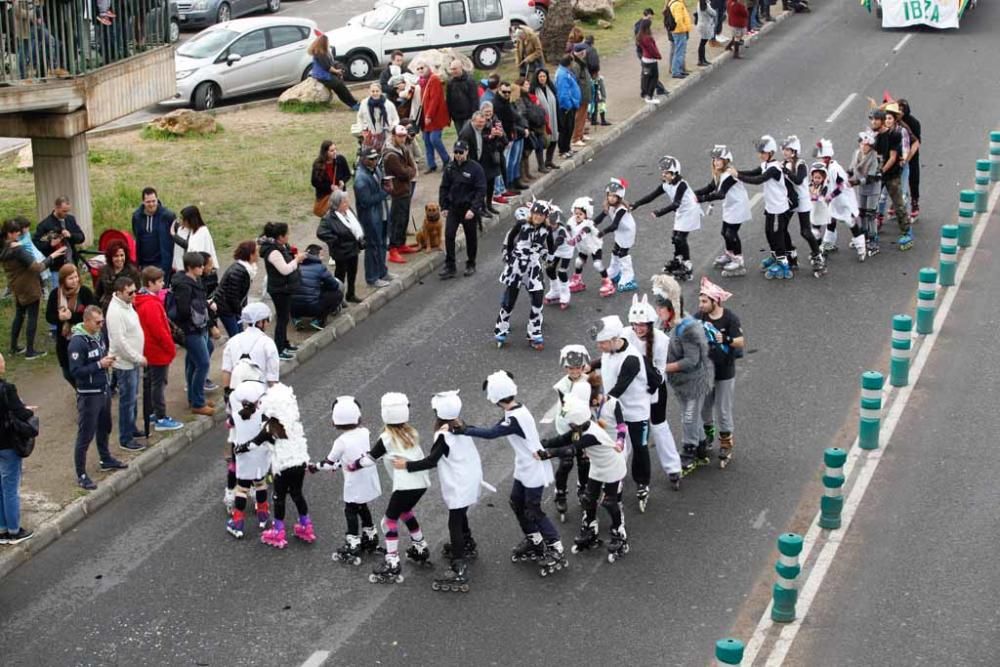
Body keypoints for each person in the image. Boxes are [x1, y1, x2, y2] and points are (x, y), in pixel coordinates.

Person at [456, 371, 567, 575]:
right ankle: (535, 539)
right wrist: (467, 428)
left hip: (533, 467)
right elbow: (495, 428)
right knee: (517, 502)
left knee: (533, 509)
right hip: (525, 465)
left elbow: (492, 433)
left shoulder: (516, 417)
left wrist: (464, 430)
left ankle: (555, 547)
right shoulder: (514, 410)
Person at [395, 390, 482, 591]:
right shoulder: (462, 426)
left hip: (459, 483)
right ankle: (466, 542)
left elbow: (431, 461)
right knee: (461, 515)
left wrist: (405, 465)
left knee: (454, 522)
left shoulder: (444, 435)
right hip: (471, 479)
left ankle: (459, 566)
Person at [346, 392, 432, 583]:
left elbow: (370, 459)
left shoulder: (386, 438)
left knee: (387, 522)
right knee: (405, 512)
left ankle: (392, 561)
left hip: (405, 486)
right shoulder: (412, 433)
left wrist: (353, 465)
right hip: (421, 484)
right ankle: (420, 546)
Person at [536, 395, 629, 561]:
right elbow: (563, 439)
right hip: (598, 466)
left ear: (577, 421)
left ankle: (618, 531)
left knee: (609, 501)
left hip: (612, 467)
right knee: (588, 499)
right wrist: (543, 443)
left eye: (571, 423)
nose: (570, 426)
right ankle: (590, 528)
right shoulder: (580, 429)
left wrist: (547, 454)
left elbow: (571, 449)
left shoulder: (591, 434)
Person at [589, 315, 653, 509]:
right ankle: (614, 479)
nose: (600, 346)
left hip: (636, 413)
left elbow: (619, 388)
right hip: (615, 412)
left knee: (640, 448)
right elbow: (603, 360)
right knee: (613, 446)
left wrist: (597, 401)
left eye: (602, 343)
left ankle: (642, 482)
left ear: (613, 340)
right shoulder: (611, 350)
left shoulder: (631, 359)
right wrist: (587, 367)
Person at [316, 396, 382, 565]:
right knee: (363, 506)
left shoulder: (341, 441)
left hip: (354, 482)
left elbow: (328, 463)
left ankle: (353, 541)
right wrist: (340, 464)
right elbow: (354, 455)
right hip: (367, 476)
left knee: (351, 510)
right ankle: (370, 535)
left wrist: (315, 466)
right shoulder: (364, 432)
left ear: (335, 421)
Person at [69, 306, 128, 490]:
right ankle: (81, 474)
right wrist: (99, 365)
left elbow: (101, 357)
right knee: (85, 434)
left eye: (102, 321)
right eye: (98, 322)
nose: (101, 325)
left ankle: (106, 458)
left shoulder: (99, 336)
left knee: (105, 426)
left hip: (103, 389)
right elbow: (76, 371)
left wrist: (108, 360)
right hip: (89, 395)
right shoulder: (77, 343)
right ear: (86, 321)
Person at [626, 294, 682, 491]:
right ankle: (618, 467)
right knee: (626, 429)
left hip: (654, 387)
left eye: (642, 324)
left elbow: (659, 370)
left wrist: (646, 385)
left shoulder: (661, 340)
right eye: (635, 324)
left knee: (658, 426)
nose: (638, 328)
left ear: (650, 324)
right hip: (630, 390)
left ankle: (673, 468)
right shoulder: (625, 334)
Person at [253, 383, 315, 549]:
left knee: (278, 497)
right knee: (297, 494)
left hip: (282, 467)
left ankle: (278, 530)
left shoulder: (269, 428)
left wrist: (239, 448)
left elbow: (253, 444)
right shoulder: (294, 424)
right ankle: (305, 525)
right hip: (299, 463)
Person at [663, 293, 714, 473]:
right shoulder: (667, 324)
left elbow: (691, 360)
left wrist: (663, 367)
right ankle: (701, 447)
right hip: (680, 382)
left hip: (694, 382)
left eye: (661, 308)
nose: (657, 311)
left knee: (689, 416)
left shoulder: (687, 329)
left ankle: (688, 451)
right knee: (690, 416)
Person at [632, 155, 703, 282]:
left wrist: (659, 212)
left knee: (680, 238)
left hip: (690, 210)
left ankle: (687, 265)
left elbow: (676, 203)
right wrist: (636, 204)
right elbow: (651, 196)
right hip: (681, 211)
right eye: (663, 172)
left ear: (675, 173)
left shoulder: (682, 185)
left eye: (666, 173)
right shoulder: (666, 184)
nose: (663, 175)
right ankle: (677, 260)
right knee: (675, 238)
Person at [2, 217, 65, 359]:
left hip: (16, 286)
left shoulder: (5, 248)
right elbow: (37, 267)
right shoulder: (18, 250)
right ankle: (30, 351)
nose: (20, 235)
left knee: (19, 315)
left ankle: (14, 347)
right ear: (10, 233)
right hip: (29, 286)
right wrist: (52, 256)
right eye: (17, 232)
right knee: (32, 317)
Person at [494, 203, 555, 350]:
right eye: (535, 214)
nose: (538, 217)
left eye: (541, 215)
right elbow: (510, 238)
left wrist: (550, 256)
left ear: (545, 217)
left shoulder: (547, 229)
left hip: (533, 266)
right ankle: (501, 329)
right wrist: (508, 253)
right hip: (517, 265)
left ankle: (534, 332)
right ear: (531, 213)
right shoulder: (522, 224)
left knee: (538, 299)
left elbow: (550, 244)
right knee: (510, 300)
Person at [697, 277, 743, 468]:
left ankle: (725, 444)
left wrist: (725, 338)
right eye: (700, 301)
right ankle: (708, 437)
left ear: (715, 302)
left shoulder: (730, 318)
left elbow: (740, 342)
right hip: (705, 372)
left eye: (704, 301)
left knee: (723, 410)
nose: (700, 305)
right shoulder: (698, 318)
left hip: (724, 371)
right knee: (705, 408)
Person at [738, 134, 797, 280]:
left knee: (777, 235)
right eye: (760, 152)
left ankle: (783, 262)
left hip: (779, 208)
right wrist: (735, 172)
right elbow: (753, 172)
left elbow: (758, 180)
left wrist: (737, 176)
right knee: (769, 232)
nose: (760, 155)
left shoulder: (774, 168)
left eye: (762, 152)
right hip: (771, 207)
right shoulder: (765, 165)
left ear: (770, 153)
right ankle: (775, 256)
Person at [134, 266, 183, 433]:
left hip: (150, 349)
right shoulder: (151, 305)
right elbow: (159, 330)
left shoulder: (143, 301)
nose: (163, 284)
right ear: (150, 283)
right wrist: (170, 347)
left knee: (154, 382)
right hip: (157, 351)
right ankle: (160, 417)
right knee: (159, 384)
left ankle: (154, 413)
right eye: (160, 281)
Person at [224, 368, 270, 540]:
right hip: (261, 454)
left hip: (243, 455)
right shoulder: (263, 415)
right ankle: (263, 516)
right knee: (261, 483)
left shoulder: (235, 416)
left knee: (242, 488)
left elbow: (228, 426)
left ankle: (238, 522)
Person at [549, 345, 594, 519]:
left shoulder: (591, 382)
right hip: (567, 427)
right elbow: (568, 410)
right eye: (571, 368)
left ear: (583, 368)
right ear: (565, 368)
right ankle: (560, 492)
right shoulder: (562, 386)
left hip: (585, 426)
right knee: (566, 461)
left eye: (578, 368)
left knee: (584, 461)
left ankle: (583, 489)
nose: (575, 371)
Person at [694, 145, 752, 277]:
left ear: (726, 160)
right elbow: (710, 187)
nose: (716, 162)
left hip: (738, 207)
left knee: (731, 233)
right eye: (714, 159)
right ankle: (729, 254)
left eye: (719, 159)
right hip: (730, 207)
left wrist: (701, 199)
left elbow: (721, 194)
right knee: (724, 232)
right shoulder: (719, 174)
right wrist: (691, 194)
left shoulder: (730, 174)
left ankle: (738, 260)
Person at [106, 276, 146, 451]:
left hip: (133, 361)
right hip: (125, 363)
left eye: (135, 290)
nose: (134, 295)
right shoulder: (115, 312)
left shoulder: (127, 305)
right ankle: (125, 438)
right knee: (127, 401)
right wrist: (138, 357)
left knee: (133, 398)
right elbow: (120, 343)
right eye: (130, 292)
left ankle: (132, 428)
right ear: (120, 292)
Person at [171, 252, 214, 415]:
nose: (202, 269)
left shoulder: (197, 280)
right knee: (203, 363)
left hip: (200, 327)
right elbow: (183, 310)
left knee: (193, 362)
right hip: (190, 330)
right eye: (199, 266)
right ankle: (197, 402)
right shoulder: (184, 285)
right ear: (190, 268)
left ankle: (194, 396)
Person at [0, 352, 36, 545]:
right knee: (10, 488)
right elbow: (19, 412)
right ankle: (14, 530)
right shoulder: (7, 388)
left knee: (0, 488)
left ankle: (2, 529)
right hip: (8, 444)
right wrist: (29, 410)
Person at [438, 141, 486, 280]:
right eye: (456, 152)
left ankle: (471, 263)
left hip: (468, 209)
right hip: (454, 207)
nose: (458, 155)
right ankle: (450, 265)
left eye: (461, 152)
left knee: (471, 237)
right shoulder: (450, 168)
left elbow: (481, 190)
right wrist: (444, 206)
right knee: (449, 235)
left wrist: (474, 209)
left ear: (467, 152)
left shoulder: (475, 168)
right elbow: (444, 187)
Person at [259, 222, 305, 360]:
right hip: (279, 289)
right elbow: (284, 269)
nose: (288, 236)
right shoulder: (273, 252)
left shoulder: (281, 247)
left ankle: (284, 343)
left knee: (284, 318)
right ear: (280, 237)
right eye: (286, 234)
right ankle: (279, 348)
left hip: (285, 287)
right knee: (282, 318)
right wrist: (297, 260)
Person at [782, 135, 826, 276]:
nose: (784, 151)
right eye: (784, 149)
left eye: (787, 149)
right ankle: (791, 254)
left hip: (802, 201)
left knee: (805, 231)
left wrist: (785, 171)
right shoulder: (785, 164)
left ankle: (817, 255)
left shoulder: (801, 164)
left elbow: (799, 180)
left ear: (794, 151)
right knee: (782, 229)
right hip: (791, 201)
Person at [46, 264, 96, 386]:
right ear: (63, 280)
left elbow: (92, 315)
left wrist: (71, 317)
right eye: (71, 278)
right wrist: (59, 317)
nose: (75, 281)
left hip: (83, 339)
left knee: (84, 369)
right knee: (67, 373)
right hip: (64, 340)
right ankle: (79, 390)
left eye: (76, 277)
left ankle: (86, 393)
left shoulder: (84, 292)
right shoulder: (55, 294)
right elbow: (49, 316)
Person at [870, 109, 912, 250]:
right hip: (878, 174)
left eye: (876, 120)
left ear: (882, 121)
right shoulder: (875, 137)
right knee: (872, 204)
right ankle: (871, 232)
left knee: (898, 204)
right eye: (872, 120)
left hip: (891, 174)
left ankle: (907, 233)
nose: (873, 122)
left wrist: (881, 171)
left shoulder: (893, 135)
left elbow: (893, 157)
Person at [813, 138, 861, 257]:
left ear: (827, 158)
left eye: (821, 158)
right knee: (829, 219)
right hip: (833, 200)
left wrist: (830, 196)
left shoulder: (835, 169)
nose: (818, 160)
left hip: (843, 200)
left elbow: (842, 186)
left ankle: (861, 246)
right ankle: (828, 244)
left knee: (850, 221)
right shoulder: (823, 168)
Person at [353, 147, 392, 288]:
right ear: (363, 159)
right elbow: (366, 201)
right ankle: (372, 277)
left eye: (375, 158)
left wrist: (385, 186)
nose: (374, 161)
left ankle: (382, 272)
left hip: (381, 213)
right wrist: (385, 192)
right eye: (371, 159)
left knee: (382, 244)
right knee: (372, 247)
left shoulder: (375, 169)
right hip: (370, 217)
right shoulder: (360, 178)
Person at [318, 191, 364, 306]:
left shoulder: (349, 211)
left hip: (353, 248)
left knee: (353, 272)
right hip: (341, 252)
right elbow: (321, 233)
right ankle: (339, 298)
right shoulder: (329, 218)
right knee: (340, 276)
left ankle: (351, 294)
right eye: (344, 202)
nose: (347, 203)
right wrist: (336, 240)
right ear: (337, 204)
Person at [593, 178, 638, 294]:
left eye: (614, 196)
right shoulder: (609, 205)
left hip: (627, 231)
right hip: (620, 231)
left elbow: (614, 225)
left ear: (619, 197)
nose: (611, 198)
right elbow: (601, 217)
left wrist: (602, 232)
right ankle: (615, 271)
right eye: (610, 195)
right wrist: (591, 225)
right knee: (615, 250)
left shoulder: (621, 209)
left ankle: (628, 277)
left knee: (622, 253)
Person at [381, 125, 418, 263]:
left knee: (404, 218)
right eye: (400, 136)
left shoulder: (403, 148)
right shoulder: (390, 154)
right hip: (397, 191)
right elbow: (403, 173)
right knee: (396, 220)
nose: (403, 138)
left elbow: (412, 167)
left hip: (405, 189)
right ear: (393, 135)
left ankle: (401, 244)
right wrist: (409, 171)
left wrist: (409, 171)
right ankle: (393, 249)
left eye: (404, 136)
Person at [33, 196, 84, 289]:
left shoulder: (70, 219)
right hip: (56, 267)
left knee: (76, 290)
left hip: (72, 263)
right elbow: (36, 244)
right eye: (64, 211)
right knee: (58, 293)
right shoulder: (45, 225)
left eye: (68, 211)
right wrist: (50, 244)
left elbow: (81, 238)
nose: (66, 214)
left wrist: (71, 235)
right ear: (56, 208)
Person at [291, 244, 343, 330]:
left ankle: (296, 319)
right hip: (312, 308)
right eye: (321, 255)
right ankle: (318, 320)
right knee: (337, 294)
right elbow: (334, 285)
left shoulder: (295, 265)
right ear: (316, 255)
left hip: (294, 307)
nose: (323, 258)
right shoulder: (320, 268)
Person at [848, 132, 882, 258]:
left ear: (871, 146)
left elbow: (872, 177)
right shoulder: (857, 154)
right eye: (862, 143)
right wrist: (845, 178)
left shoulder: (874, 157)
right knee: (861, 212)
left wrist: (856, 181)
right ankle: (863, 235)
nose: (863, 146)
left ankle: (874, 240)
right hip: (861, 188)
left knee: (870, 214)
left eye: (866, 144)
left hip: (872, 188)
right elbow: (851, 169)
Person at [214, 241, 258, 338]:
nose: (258, 254)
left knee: (240, 334)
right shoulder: (239, 272)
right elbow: (232, 296)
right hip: (225, 308)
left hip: (233, 307)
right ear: (250, 255)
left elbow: (242, 293)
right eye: (256, 252)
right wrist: (241, 311)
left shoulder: (247, 269)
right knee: (236, 337)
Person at [414, 60, 451, 174]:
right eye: (418, 69)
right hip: (426, 116)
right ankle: (431, 164)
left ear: (428, 68)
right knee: (426, 140)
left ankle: (447, 160)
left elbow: (435, 99)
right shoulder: (421, 82)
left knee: (434, 139)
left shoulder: (433, 79)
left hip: (435, 116)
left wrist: (429, 115)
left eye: (422, 68)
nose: (420, 70)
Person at [567, 196, 609, 294]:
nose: (577, 216)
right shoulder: (571, 221)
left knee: (597, 264)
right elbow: (567, 229)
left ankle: (607, 281)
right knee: (578, 262)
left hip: (594, 247)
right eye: (576, 213)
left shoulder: (588, 224)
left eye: (580, 214)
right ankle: (577, 280)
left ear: (586, 215)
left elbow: (586, 230)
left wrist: (604, 213)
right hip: (583, 248)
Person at [131, 187, 176, 275]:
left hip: (162, 263)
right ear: (143, 202)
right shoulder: (137, 217)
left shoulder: (167, 216)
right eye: (148, 202)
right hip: (144, 263)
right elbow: (136, 235)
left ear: (157, 200)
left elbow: (175, 237)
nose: (151, 204)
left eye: (153, 201)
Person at [493, 80, 528, 192]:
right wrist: (505, 139)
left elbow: (516, 118)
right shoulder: (497, 105)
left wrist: (523, 128)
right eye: (504, 92)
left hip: (513, 134)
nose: (507, 94)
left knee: (514, 160)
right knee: (507, 163)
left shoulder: (507, 102)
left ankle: (514, 180)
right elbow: (501, 123)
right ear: (499, 90)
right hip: (504, 138)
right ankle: (507, 185)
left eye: (509, 92)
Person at [307, 34, 359, 109]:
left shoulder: (322, 52)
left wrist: (338, 69)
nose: (328, 43)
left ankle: (353, 102)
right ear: (324, 43)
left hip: (325, 74)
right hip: (322, 76)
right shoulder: (320, 54)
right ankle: (353, 104)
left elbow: (331, 63)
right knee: (340, 86)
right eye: (327, 42)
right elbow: (327, 67)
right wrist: (337, 71)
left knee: (340, 84)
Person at [94, 238, 141, 312]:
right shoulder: (104, 270)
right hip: (108, 308)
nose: (119, 259)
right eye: (116, 256)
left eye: (122, 255)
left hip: (127, 308)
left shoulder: (132, 272)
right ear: (110, 257)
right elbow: (98, 293)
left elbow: (137, 294)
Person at [170, 205, 218, 274]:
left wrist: (174, 236)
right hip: (184, 269)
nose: (182, 221)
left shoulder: (202, 231)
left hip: (201, 270)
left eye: (184, 219)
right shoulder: (183, 229)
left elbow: (192, 248)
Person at [311, 140, 352, 218]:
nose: (335, 152)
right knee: (331, 220)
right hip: (327, 197)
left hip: (340, 196)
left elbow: (348, 174)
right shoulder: (318, 164)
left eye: (335, 149)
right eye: (332, 150)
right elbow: (314, 182)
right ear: (325, 152)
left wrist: (342, 181)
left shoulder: (340, 160)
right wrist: (330, 187)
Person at [356, 82, 400, 153]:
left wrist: (392, 127)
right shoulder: (364, 103)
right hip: (370, 133)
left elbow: (396, 119)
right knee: (370, 154)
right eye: (373, 91)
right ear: (369, 92)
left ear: (381, 92)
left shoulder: (388, 104)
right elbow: (359, 116)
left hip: (385, 133)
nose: (375, 93)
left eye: (377, 91)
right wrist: (362, 128)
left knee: (385, 153)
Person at [531, 69, 561, 170]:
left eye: (544, 76)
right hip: (540, 121)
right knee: (541, 143)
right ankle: (541, 165)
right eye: (540, 77)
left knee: (553, 139)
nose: (542, 78)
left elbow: (556, 101)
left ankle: (549, 161)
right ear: (537, 78)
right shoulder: (533, 90)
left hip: (553, 118)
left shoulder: (551, 88)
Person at [898, 98, 921, 219]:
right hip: (897, 155)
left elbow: (916, 143)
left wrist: (907, 158)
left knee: (913, 178)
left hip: (911, 155)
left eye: (903, 110)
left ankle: (915, 201)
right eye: (899, 109)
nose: (900, 112)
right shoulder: (894, 121)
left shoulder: (913, 123)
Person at [554, 56, 578, 160]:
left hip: (571, 105)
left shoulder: (565, 72)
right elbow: (563, 93)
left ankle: (567, 148)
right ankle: (562, 150)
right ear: (569, 63)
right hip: (566, 107)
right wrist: (568, 106)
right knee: (565, 129)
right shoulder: (563, 75)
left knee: (570, 128)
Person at [445, 59, 479, 134]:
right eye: (451, 69)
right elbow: (448, 100)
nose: (453, 71)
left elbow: (474, 99)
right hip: (456, 116)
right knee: (461, 137)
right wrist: (449, 115)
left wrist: (473, 115)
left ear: (461, 68)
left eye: (455, 69)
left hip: (468, 116)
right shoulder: (450, 83)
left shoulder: (470, 81)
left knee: (467, 135)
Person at [635, 17, 663, 105]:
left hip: (645, 60)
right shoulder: (647, 38)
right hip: (651, 61)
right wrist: (658, 56)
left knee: (645, 77)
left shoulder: (639, 36)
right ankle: (649, 96)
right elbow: (652, 50)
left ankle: (644, 93)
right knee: (654, 78)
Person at [569, 45, 592, 146]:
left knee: (584, 116)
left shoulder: (581, 62)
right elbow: (574, 81)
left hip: (585, 94)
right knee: (579, 116)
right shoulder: (576, 65)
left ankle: (581, 134)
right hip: (580, 95)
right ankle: (576, 137)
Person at [667, 0, 693, 79]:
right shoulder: (678, 4)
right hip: (679, 31)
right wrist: (684, 29)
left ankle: (679, 70)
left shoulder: (673, 3)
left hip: (677, 31)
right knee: (679, 52)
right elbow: (678, 20)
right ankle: (676, 71)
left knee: (679, 51)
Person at [696, 0, 717, 66]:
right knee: (702, 44)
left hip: (701, 25)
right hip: (706, 26)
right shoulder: (706, 5)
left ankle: (703, 59)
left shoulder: (699, 4)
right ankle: (701, 60)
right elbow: (714, 13)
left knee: (702, 43)